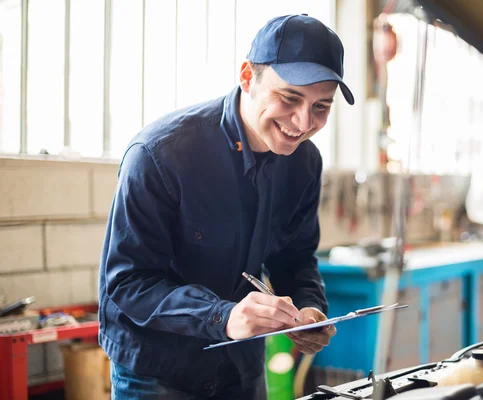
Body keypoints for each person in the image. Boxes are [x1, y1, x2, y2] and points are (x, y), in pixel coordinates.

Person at [98, 14, 354, 400]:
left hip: (241, 365)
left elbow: (295, 258)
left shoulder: (304, 163)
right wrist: (223, 316)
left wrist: (309, 309)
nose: (303, 123)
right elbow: (128, 283)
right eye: (289, 98)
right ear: (248, 77)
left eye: (321, 106)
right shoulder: (161, 154)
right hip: (159, 371)